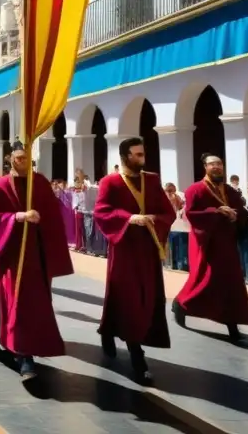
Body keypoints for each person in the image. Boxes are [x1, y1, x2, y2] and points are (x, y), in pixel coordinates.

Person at [0, 142, 72, 381]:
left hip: (38, 257)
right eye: (19, 158)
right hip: (14, 257)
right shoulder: (0, 186)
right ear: (9, 159)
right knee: (18, 303)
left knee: (38, 306)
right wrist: (17, 217)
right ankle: (24, 355)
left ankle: (36, 345)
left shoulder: (40, 182)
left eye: (26, 157)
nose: (23, 162)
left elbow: (54, 216)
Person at [93, 137, 175, 384]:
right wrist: (129, 219)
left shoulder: (152, 180)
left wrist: (153, 220)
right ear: (125, 156)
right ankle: (136, 353)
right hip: (124, 250)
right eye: (137, 155)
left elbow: (168, 212)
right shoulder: (110, 182)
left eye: (142, 154)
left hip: (148, 251)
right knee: (126, 298)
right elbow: (102, 211)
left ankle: (109, 329)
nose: (142, 158)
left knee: (148, 298)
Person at [173, 154, 248, 343]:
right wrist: (215, 212)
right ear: (205, 167)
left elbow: (241, 210)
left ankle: (232, 327)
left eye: (219, 164)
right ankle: (182, 303)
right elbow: (191, 214)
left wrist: (237, 215)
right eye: (212, 164)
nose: (217, 167)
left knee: (231, 284)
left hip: (227, 243)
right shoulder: (195, 189)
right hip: (206, 242)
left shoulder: (229, 190)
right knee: (205, 278)